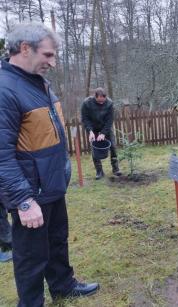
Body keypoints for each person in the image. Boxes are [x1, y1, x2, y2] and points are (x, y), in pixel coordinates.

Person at [0, 22, 99, 306]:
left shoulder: (38, 82)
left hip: (52, 184)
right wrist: (23, 201)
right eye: (48, 55)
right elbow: (2, 155)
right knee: (31, 255)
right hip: (30, 191)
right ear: (25, 49)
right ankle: (31, 302)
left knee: (57, 241)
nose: (53, 63)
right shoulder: (5, 90)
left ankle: (62, 285)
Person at [81, 87, 121, 179]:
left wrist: (103, 133)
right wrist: (90, 131)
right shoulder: (87, 103)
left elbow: (110, 120)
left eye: (103, 101)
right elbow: (85, 119)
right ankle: (99, 171)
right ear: (95, 97)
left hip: (105, 127)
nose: (101, 103)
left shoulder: (109, 103)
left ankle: (116, 169)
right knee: (95, 149)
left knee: (113, 147)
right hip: (93, 128)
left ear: (105, 97)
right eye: (99, 102)